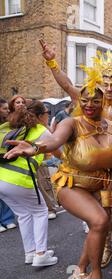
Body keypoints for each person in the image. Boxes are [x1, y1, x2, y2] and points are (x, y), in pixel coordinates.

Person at [41, 41, 112, 270]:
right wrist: (52, 62)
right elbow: (67, 85)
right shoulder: (91, 100)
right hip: (95, 166)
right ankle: (105, 246)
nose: (109, 87)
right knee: (102, 211)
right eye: (105, 83)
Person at [5, 72, 112, 279]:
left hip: (100, 187)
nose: (89, 105)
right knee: (99, 221)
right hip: (72, 184)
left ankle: (79, 271)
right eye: (85, 99)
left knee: (100, 227)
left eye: (95, 100)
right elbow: (54, 140)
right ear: (79, 100)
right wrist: (35, 148)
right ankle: (95, 278)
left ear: (103, 102)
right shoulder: (71, 123)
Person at [0, 100, 58, 267]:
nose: (48, 116)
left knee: (24, 215)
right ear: (40, 116)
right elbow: (59, 153)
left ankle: (30, 253)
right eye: (46, 113)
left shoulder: (12, 128)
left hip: (1, 179)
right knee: (40, 211)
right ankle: (41, 254)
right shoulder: (42, 131)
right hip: (20, 180)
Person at [0, 98, 17, 232]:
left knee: (5, 192)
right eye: (4, 108)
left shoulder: (10, 123)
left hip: (6, 161)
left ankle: (8, 219)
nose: (7, 110)